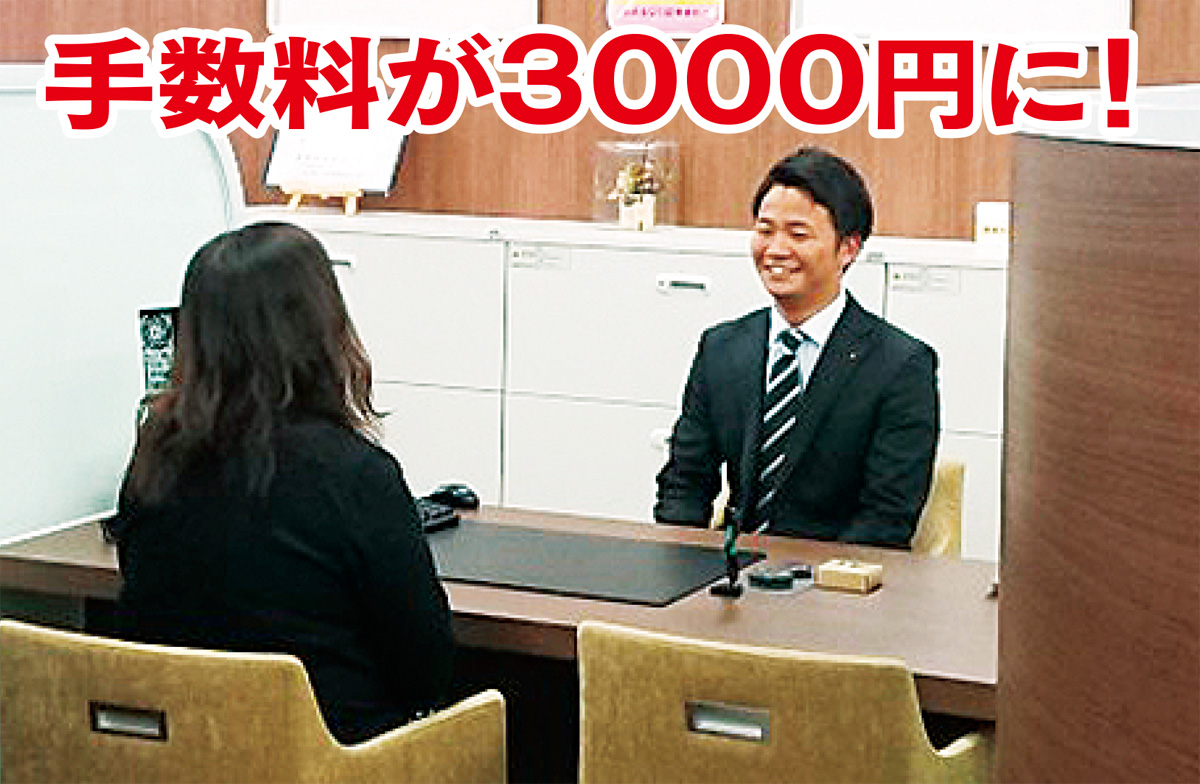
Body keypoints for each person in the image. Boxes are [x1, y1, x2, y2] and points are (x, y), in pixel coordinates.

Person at [107, 221, 454, 745]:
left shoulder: (154, 466)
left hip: (179, 758)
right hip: (333, 762)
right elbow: (427, 671)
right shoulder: (356, 477)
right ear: (323, 330)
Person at [654, 147, 939, 547]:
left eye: (798, 234)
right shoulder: (721, 348)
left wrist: (812, 580)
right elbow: (684, 484)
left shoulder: (900, 365)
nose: (775, 249)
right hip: (732, 569)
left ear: (848, 248)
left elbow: (885, 519)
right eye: (765, 230)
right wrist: (680, 563)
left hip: (835, 577)